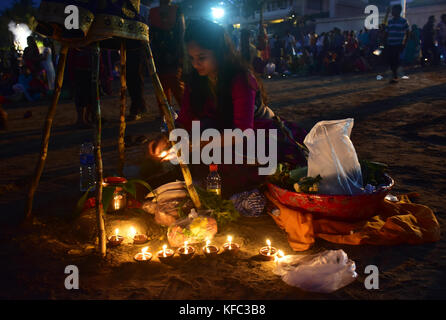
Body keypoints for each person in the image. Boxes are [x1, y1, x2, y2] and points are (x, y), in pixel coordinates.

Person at [147, 20, 307, 197]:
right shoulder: (196, 81)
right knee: (199, 140)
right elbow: (185, 119)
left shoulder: (241, 79)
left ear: (220, 53)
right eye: (191, 58)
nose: (195, 64)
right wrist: (166, 138)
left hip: (259, 136)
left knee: (231, 166)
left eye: (202, 58)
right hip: (220, 136)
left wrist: (196, 145)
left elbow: (243, 132)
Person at [149, 0, 186, 117]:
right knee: (162, 83)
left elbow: (181, 32)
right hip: (160, 53)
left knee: (174, 82)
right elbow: (150, 34)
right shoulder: (153, 12)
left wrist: (179, 51)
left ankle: (184, 111)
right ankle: (166, 112)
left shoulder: (175, 11)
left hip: (171, 52)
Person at [385, 5, 409, 83]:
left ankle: (395, 76)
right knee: (391, 61)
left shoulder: (403, 21)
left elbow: (408, 32)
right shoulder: (390, 21)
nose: (392, 12)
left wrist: (404, 43)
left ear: (398, 11)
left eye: (394, 10)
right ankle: (394, 75)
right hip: (390, 44)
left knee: (395, 60)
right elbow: (386, 32)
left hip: (398, 44)